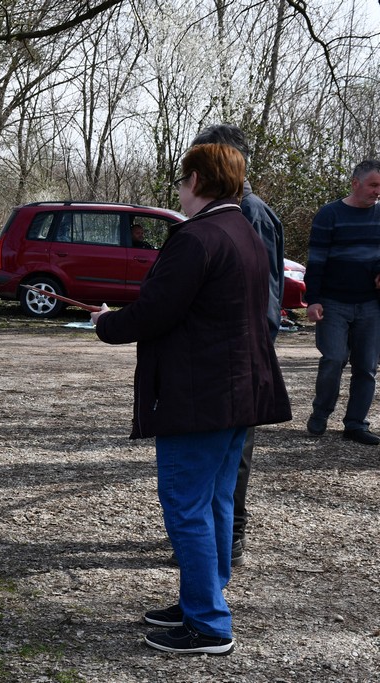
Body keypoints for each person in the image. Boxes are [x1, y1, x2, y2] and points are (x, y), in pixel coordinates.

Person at [92, 144, 290, 655]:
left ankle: (208, 623)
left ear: (197, 181)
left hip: (201, 395)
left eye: (182, 180)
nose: (179, 189)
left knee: (186, 506)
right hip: (235, 392)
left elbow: (157, 311)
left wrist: (107, 323)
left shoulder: (198, 236)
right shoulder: (243, 230)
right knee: (215, 501)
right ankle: (202, 599)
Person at [190, 123, 286, 566]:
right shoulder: (221, 208)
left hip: (241, 358)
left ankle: (230, 539)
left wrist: (250, 352)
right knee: (215, 453)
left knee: (234, 455)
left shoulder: (250, 212)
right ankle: (212, 536)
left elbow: (263, 292)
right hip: (223, 355)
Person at [304, 159, 380, 444]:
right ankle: (321, 412)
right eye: (373, 185)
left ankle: (356, 424)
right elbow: (316, 261)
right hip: (333, 301)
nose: (377, 191)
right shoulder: (330, 214)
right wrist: (313, 300)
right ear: (355, 183)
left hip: (371, 304)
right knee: (333, 359)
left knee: (366, 367)